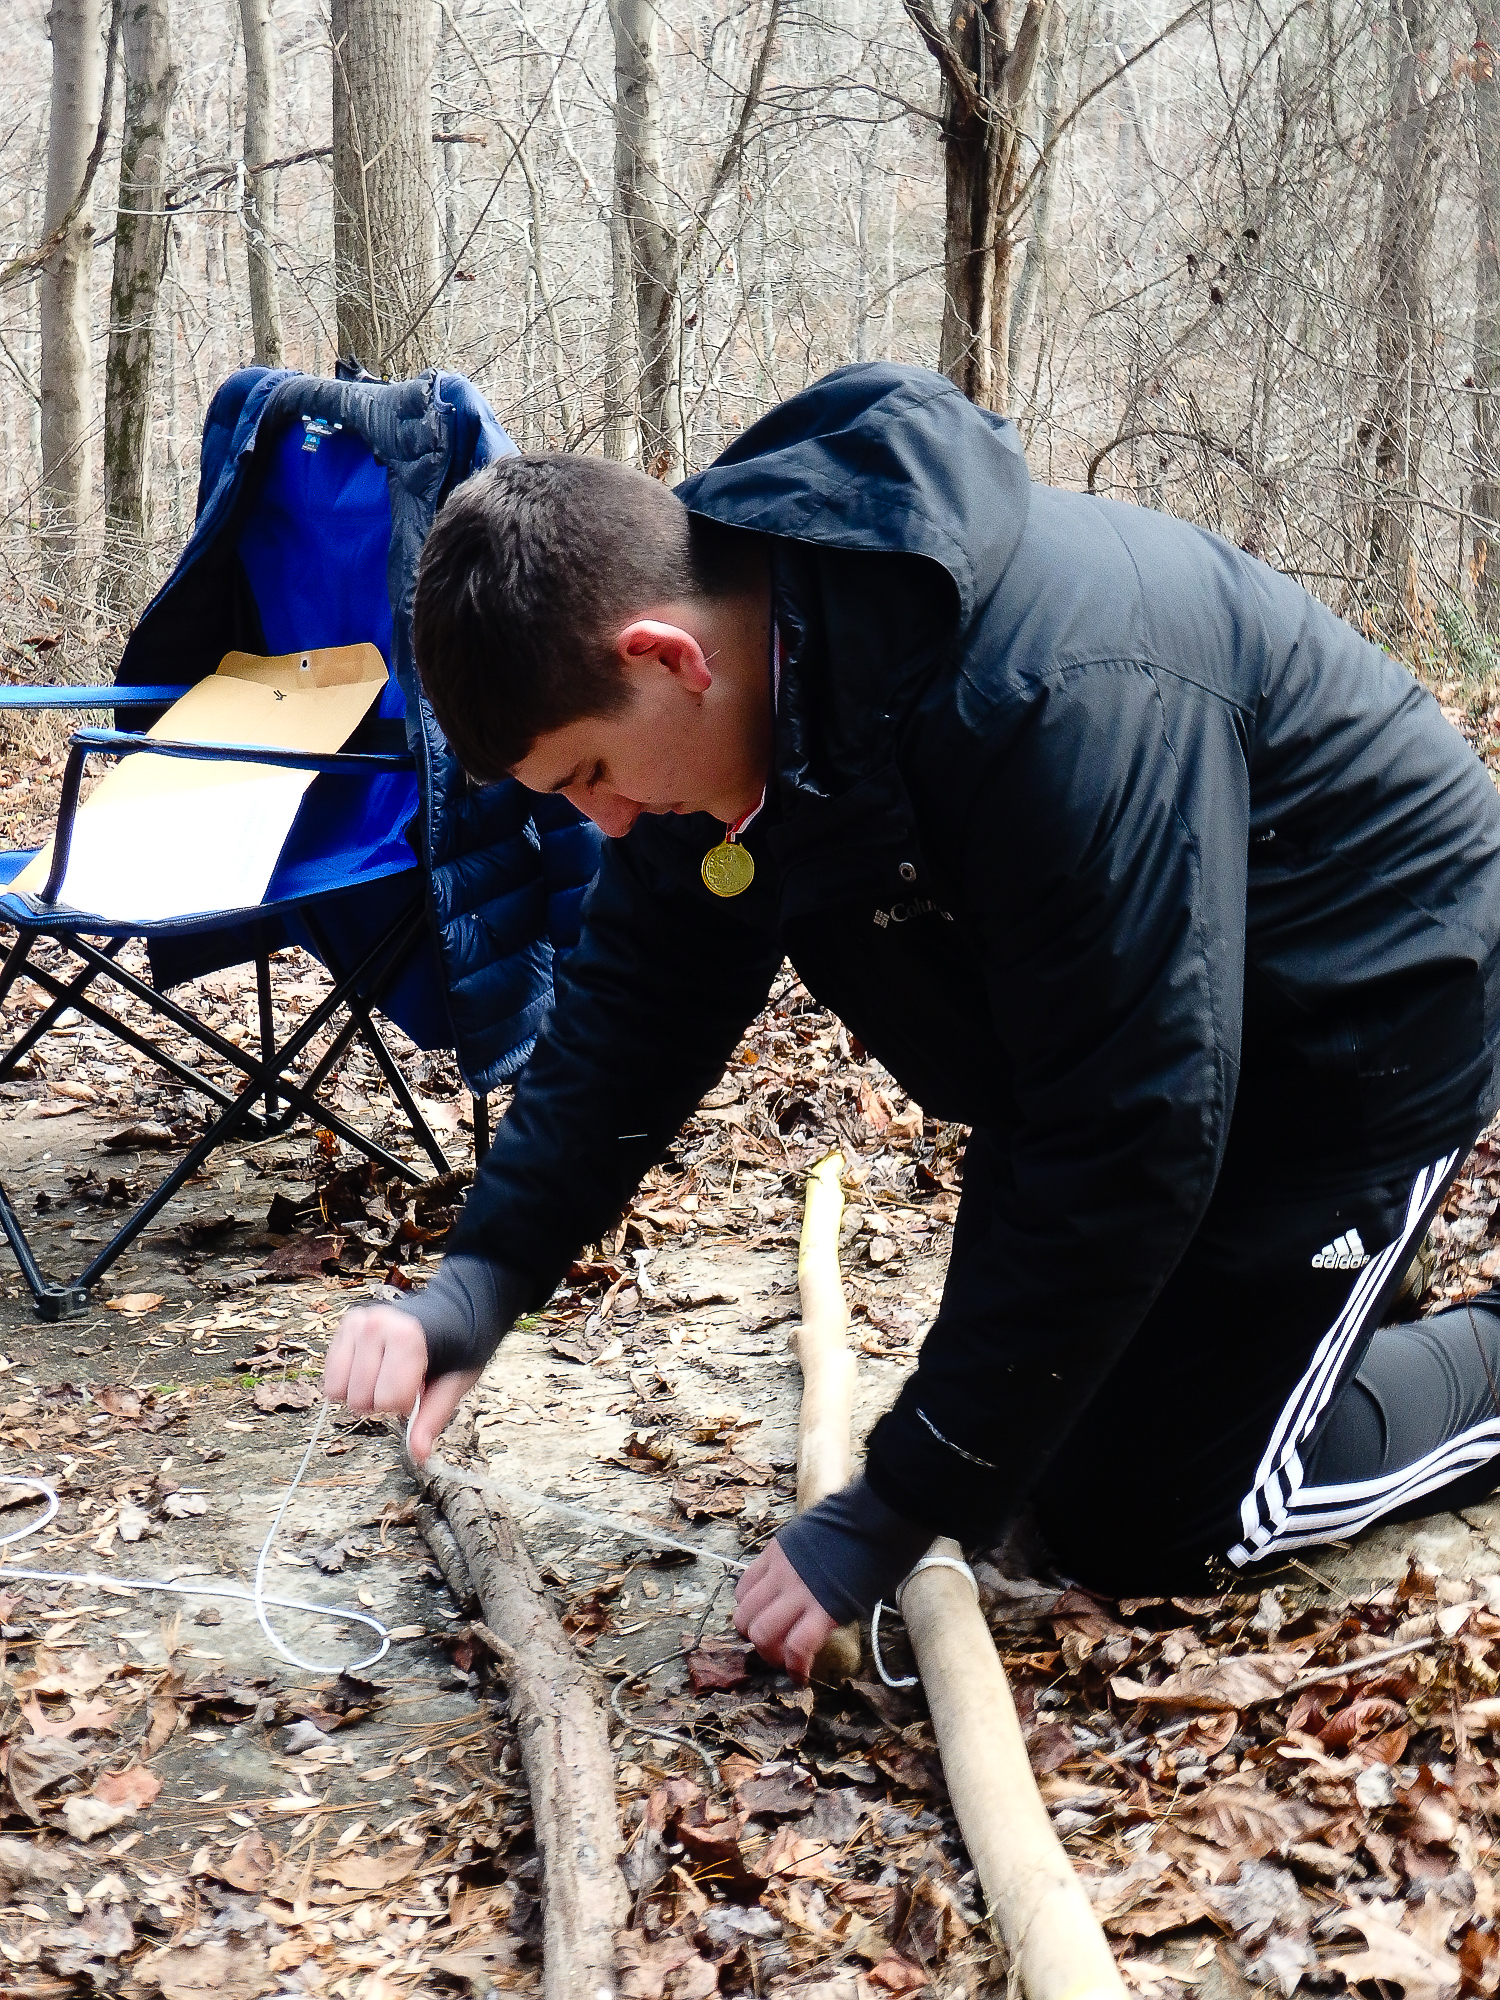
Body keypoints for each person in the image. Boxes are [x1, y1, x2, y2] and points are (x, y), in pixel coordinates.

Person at [323, 362, 1500, 1681]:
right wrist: (481, 1283)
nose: (601, 820)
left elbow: (1133, 1131)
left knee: (1154, 1517)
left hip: (1362, 1005)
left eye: (591, 772)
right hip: (1124, 1029)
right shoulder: (730, 697)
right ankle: (1283, 1319)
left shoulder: (1050, 702)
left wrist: (896, 1505)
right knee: (1029, 1452)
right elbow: (639, 1005)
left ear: (666, 656)